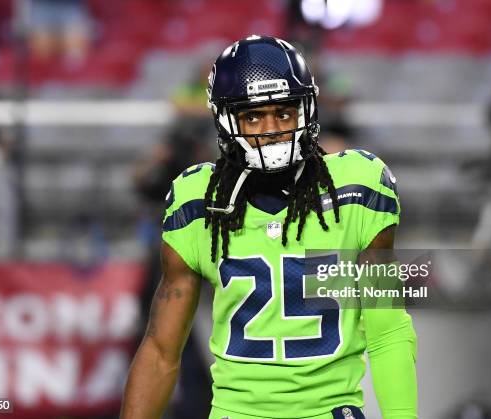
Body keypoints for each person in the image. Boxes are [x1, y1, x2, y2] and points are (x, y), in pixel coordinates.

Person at [121, 35, 417, 419]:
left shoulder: (357, 187)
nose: (271, 128)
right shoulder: (198, 201)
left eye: (283, 112)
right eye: (253, 116)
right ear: (227, 121)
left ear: (306, 111)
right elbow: (162, 351)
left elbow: (387, 331)